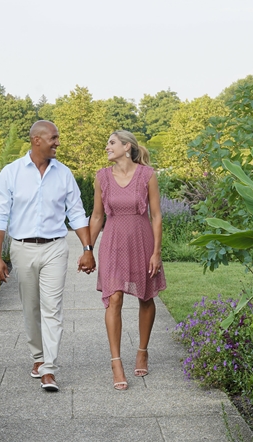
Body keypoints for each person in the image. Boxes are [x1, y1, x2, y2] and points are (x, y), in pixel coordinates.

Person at [0, 120, 96, 393]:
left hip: (55, 247)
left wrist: (87, 249)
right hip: (22, 248)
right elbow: (0, 216)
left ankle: (49, 368)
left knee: (52, 307)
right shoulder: (11, 173)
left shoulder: (64, 174)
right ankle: (37, 357)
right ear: (37, 140)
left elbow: (76, 212)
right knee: (31, 307)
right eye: (54, 138)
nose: (58, 142)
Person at [88, 130, 166, 391]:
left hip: (141, 242)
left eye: (111, 143)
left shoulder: (147, 175)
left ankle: (142, 350)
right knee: (114, 298)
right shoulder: (102, 177)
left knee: (146, 296)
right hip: (112, 243)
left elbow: (156, 216)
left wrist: (157, 252)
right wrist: (88, 248)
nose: (106, 147)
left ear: (126, 146)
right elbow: (97, 216)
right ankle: (116, 362)